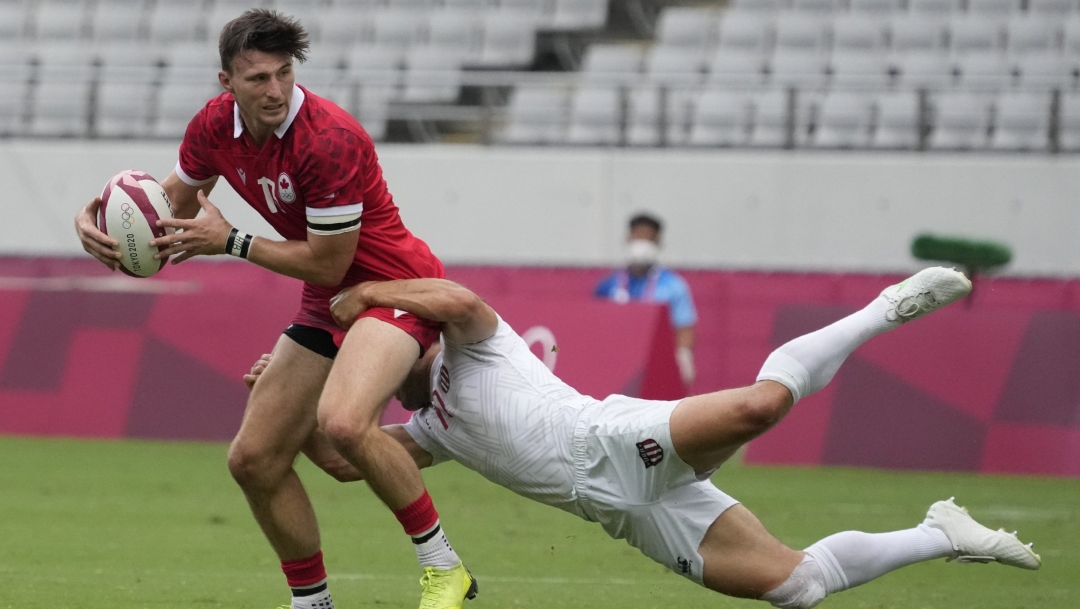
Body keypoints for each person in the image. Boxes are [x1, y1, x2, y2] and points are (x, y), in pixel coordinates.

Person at [248, 267, 1040, 609]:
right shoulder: (428, 431)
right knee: (795, 585)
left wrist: (366, 296)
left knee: (760, 406)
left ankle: (887, 306)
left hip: (614, 441)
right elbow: (343, 461)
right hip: (628, 512)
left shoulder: (473, 343)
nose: (385, 367)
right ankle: (942, 531)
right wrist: (292, 391)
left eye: (389, 352)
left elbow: (457, 296)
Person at [72, 10, 475, 609]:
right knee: (254, 460)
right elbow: (168, 208)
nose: (275, 90)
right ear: (226, 81)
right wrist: (97, 220)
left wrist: (231, 241)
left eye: (285, 73)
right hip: (329, 301)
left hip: (393, 287)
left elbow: (330, 264)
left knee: (343, 422)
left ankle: (445, 567)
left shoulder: (329, 140)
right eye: (258, 77)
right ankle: (312, 604)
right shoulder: (212, 127)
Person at [595, 213, 698, 388]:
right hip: (615, 360)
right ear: (628, 239)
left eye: (648, 238)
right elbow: (595, 324)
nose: (642, 243)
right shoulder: (608, 285)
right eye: (638, 236)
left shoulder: (674, 286)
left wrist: (683, 356)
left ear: (658, 243)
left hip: (655, 361)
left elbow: (684, 328)